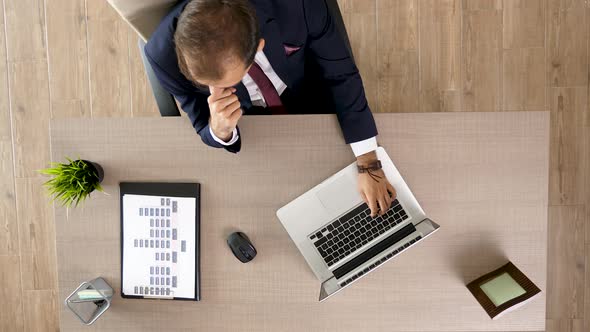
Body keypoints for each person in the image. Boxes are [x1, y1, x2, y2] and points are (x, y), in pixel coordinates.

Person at [145, 0, 396, 216]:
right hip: (253, 134)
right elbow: (201, 121)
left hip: (312, 97)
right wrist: (219, 130)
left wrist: (368, 161)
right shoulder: (162, 55)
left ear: (258, 48)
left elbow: (341, 75)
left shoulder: (297, 6)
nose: (216, 91)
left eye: (227, 83)